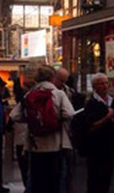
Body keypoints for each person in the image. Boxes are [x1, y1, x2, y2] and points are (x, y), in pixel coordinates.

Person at [11, 65, 75, 193]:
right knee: (55, 183)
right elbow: (70, 113)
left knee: (38, 183)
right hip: (56, 145)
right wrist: (57, 119)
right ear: (52, 78)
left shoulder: (30, 94)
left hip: (36, 147)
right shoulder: (58, 94)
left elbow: (14, 115)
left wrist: (31, 120)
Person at [82, 73, 114, 193]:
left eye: (106, 83)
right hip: (96, 148)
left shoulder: (112, 101)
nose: (105, 86)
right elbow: (91, 126)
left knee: (106, 178)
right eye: (101, 83)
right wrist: (108, 117)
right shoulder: (92, 103)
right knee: (95, 179)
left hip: (109, 146)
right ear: (95, 86)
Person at [53, 67, 79, 193]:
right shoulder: (55, 93)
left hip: (67, 135)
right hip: (56, 136)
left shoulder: (69, 92)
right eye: (60, 80)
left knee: (67, 169)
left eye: (65, 81)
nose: (62, 84)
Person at [12, 75, 35, 193]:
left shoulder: (24, 99)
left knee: (24, 165)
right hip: (36, 138)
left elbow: (13, 116)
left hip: (22, 137)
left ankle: (28, 187)